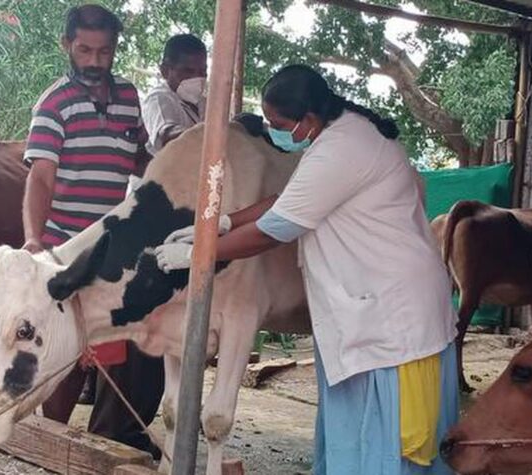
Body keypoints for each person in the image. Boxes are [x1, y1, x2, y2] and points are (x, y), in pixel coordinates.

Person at [154, 64, 459, 474]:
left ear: (308, 118)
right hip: (366, 312)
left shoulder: (344, 148)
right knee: (352, 439)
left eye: (278, 125)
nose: (272, 131)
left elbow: (275, 229)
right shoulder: (332, 137)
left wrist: (202, 254)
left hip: (394, 316)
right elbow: (287, 198)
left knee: (391, 443)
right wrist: (221, 224)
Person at [21, 4, 162, 459]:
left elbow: (139, 157)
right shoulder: (54, 104)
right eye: (84, 50)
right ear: (67, 44)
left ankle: (102, 448)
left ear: (115, 48)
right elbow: (41, 178)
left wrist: (169, 167)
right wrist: (34, 240)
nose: (94, 61)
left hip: (114, 249)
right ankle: (51, 447)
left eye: (104, 52)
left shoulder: (129, 97)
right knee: (63, 357)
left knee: (112, 353)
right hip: (66, 248)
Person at [142, 33, 207, 155]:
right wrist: (207, 137)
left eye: (203, 72)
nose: (197, 78)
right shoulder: (159, 99)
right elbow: (167, 135)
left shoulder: (203, 103)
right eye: (188, 71)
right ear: (165, 71)